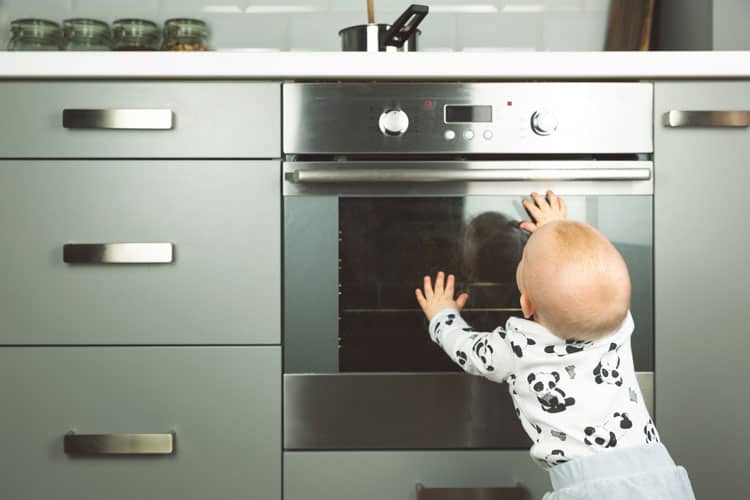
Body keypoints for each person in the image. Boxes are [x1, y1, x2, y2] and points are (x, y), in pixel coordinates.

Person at [415, 191, 696, 500]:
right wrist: (558, 230)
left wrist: (442, 314)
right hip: (658, 474)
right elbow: (595, 274)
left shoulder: (518, 346)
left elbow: (467, 349)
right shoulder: (617, 324)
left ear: (525, 302)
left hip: (588, 488)